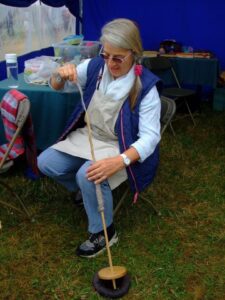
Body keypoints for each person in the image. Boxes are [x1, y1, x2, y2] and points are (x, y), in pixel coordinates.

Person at [38, 18, 161, 258]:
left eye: (118, 58)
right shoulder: (96, 67)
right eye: (106, 55)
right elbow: (56, 86)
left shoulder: (145, 87)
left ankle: (104, 232)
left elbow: (150, 138)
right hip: (90, 136)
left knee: (88, 174)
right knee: (46, 162)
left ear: (134, 54)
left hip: (120, 145)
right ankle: (86, 193)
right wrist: (59, 74)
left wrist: (120, 161)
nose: (111, 63)